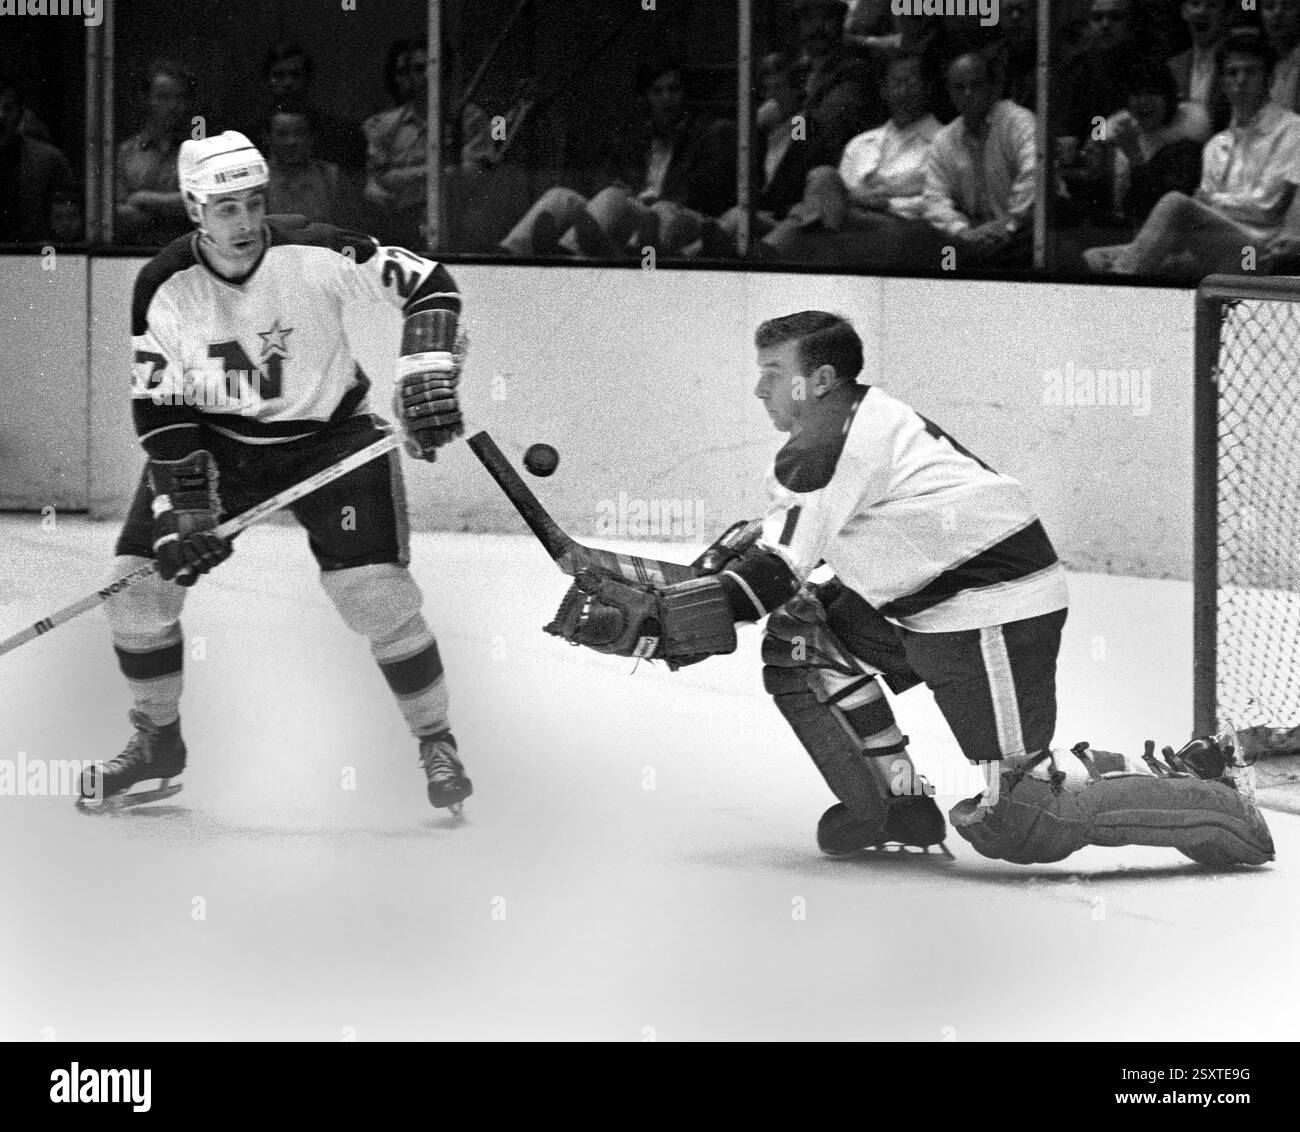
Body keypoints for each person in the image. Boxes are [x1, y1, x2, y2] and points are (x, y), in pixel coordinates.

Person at [542, 311, 1275, 868]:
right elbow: (767, 560)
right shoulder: (844, 422)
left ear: (821, 380)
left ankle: (1208, 797)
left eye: (773, 371)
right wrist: (646, 587)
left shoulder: (826, 443)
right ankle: (893, 806)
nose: (759, 386)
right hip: (921, 602)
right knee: (806, 640)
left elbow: (769, 576)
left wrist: (658, 622)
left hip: (992, 609)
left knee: (1024, 816)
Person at [78, 131, 471, 815]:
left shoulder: (315, 249)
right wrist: (186, 506)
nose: (245, 224)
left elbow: (429, 284)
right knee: (135, 592)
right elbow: (162, 403)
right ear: (195, 210)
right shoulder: (162, 286)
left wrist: (426, 366)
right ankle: (157, 742)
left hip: (332, 441)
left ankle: (436, 738)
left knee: (374, 595)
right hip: (216, 446)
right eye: (225, 208)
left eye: (254, 204)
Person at [1085, 28, 1300, 278]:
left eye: (1251, 72)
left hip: (1256, 253)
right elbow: (1205, 205)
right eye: (1232, 73)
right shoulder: (1216, 145)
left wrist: (1212, 203)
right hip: (1210, 245)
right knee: (1096, 258)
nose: (1240, 80)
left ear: (1270, 79)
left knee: (1175, 204)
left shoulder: (1293, 130)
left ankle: (1117, 298)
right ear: (1221, 82)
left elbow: (1266, 206)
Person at [498, 60, 735, 258]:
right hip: (632, 212)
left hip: (672, 217)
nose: (666, 98)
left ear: (685, 95)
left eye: (674, 90)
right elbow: (603, 180)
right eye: (658, 91)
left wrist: (639, 198)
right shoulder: (636, 135)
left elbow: (703, 193)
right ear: (648, 97)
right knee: (561, 197)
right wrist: (614, 186)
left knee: (617, 201)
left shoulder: (706, 133)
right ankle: (506, 257)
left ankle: (567, 257)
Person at [755, 49, 942, 267]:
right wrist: (856, 199)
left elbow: (937, 201)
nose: (903, 91)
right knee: (821, 178)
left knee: (816, 202)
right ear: (883, 90)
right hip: (843, 222)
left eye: (911, 82)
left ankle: (767, 253)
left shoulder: (941, 140)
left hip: (898, 226)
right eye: (896, 83)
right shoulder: (861, 143)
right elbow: (834, 196)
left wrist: (885, 200)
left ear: (927, 88)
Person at [921, 53, 1037, 268]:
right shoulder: (944, 140)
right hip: (975, 241)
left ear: (994, 87)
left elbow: (1033, 181)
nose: (968, 94)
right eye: (959, 87)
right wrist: (963, 232)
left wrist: (1007, 227)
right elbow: (934, 200)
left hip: (1023, 235)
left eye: (976, 85)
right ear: (950, 93)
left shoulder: (1020, 122)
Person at [115, 59, 196, 246]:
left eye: (180, 98)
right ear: (146, 99)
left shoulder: (200, 151)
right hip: (129, 258)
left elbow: (202, 206)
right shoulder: (125, 153)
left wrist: (145, 199)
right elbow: (116, 216)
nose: (173, 106)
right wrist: (174, 209)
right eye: (163, 97)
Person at [0, 75, 74, 243]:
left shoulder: (48, 160)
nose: (0, 116)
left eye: (8, 108)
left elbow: (69, 219)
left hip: (35, 259)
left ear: (20, 113)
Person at [265, 104, 342, 225]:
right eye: (282, 134)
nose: (291, 142)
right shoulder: (259, 179)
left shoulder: (330, 176)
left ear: (312, 137)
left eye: (299, 133)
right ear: (268, 138)